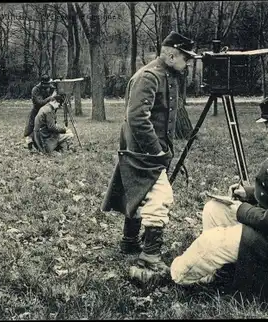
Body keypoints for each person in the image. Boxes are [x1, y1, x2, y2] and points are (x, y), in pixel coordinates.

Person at [170, 90, 268, 305]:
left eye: (267, 126)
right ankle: (224, 272)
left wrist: (240, 210)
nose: (265, 131)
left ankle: (175, 275)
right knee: (214, 209)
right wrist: (247, 194)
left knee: (211, 242)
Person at [101, 31, 197, 282]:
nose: (187, 64)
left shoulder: (169, 76)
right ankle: (150, 258)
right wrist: (156, 150)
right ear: (171, 53)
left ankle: (129, 241)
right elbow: (137, 118)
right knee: (161, 198)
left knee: (139, 192)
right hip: (142, 151)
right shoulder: (149, 76)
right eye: (186, 58)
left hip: (148, 150)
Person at [24, 75, 57, 149]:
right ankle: (30, 142)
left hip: (47, 112)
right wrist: (51, 97)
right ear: (43, 83)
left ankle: (43, 143)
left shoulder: (49, 88)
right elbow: (39, 103)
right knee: (33, 129)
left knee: (46, 128)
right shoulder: (35, 90)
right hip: (37, 112)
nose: (49, 86)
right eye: (47, 84)